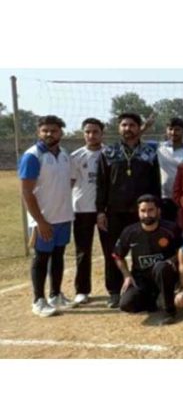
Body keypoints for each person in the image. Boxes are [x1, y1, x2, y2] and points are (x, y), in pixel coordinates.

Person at [97, 112, 161, 308]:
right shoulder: (108, 152)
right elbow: (101, 184)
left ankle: (148, 288)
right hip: (114, 212)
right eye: (124, 125)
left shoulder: (149, 153)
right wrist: (100, 211)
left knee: (144, 251)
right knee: (113, 251)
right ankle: (115, 291)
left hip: (141, 214)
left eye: (132, 125)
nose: (128, 128)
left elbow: (155, 184)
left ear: (138, 127)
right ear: (119, 128)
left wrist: (155, 209)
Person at [19, 115, 75, 317]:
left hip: (63, 216)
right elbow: (26, 192)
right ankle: (38, 300)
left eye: (53, 130)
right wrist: (40, 221)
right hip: (43, 220)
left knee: (59, 256)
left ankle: (55, 295)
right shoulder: (33, 156)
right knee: (41, 258)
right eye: (45, 130)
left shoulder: (64, 154)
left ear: (61, 133)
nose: (49, 134)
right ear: (38, 132)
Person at [112, 195, 181, 325]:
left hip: (164, 275)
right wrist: (127, 275)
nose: (146, 214)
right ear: (138, 212)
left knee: (161, 267)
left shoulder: (171, 229)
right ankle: (154, 299)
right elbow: (117, 255)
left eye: (150, 210)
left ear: (158, 211)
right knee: (126, 304)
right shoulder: (130, 232)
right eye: (143, 211)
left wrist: (172, 260)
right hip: (141, 278)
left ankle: (169, 311)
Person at [70, 117, 108, 305]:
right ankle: (82, 290)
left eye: (95, 132)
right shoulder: (76, 156)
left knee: (110, 250)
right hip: (82, 210)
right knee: (83, 251)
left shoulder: (110, 154)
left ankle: (114, 289)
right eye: (88, 132)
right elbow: (69, 184)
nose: (91, 135)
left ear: (102, 133)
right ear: (83, 133)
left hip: (105, 211)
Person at [157, 117, 183, 222]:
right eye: (170, 129)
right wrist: (145, 127)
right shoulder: (158, 147)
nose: (173, 132)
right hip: (164, 197)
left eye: (177, 129)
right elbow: (136, 140)